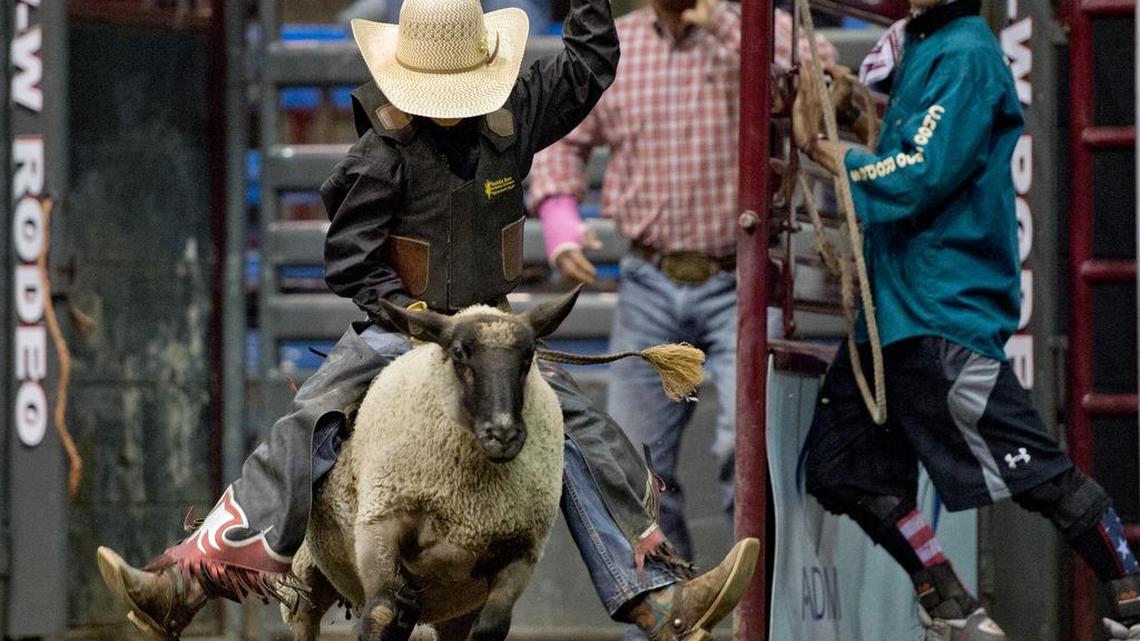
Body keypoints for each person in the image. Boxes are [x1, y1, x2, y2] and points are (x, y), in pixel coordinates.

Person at [94, 0, 761, 638]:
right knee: (311, 421)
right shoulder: (381, 152)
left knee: (580, 426)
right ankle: (182, 587)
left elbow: (589, 62)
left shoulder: (514, 114)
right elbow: (351, 262)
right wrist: (417, 319)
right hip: (400, 332)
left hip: (494, 327)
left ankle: (656, 596)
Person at [792, 1, 1140, 639]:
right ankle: (948, 597)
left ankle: (1132, 597)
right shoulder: (927, 46)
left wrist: (829, 153)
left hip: (936, 311)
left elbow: (921, 170)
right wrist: (858, 111)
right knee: (844, 466)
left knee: (1035, 471)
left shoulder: (964, 54)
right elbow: (919, 146)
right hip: (896, 313)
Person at [527, 0, 836, 561]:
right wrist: (560, 221)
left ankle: (757, 612)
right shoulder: (621, 47)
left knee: (744, 448)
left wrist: (722, 23)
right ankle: (665, 612)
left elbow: (822, 76)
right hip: (650, 276)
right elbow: (561, 133)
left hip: (741, 277)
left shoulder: (753, 29)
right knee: (633, 462)